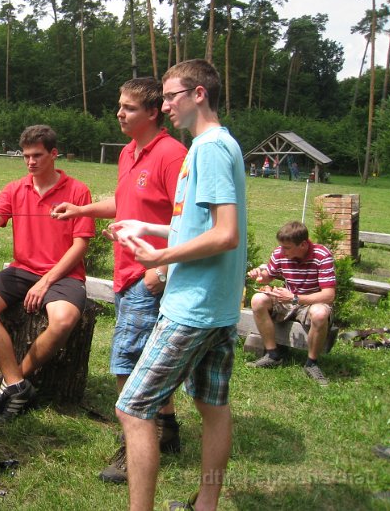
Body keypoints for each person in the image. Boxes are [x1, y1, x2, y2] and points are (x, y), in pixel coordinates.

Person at [109, 59, 247, 511]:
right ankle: (205, 504)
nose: (165, 105)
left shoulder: (207, 149)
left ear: (199, 94)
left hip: (192, 306)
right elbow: (197, 228)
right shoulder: (219, 145)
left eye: (171, 96)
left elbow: (225, 234)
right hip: (220, 306)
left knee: (133, 408)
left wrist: (159, 257)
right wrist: (145, 227)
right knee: (212, 407)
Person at [51, 77, 187, 484]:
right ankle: (167, 430)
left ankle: (137, 442)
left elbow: (188, 220)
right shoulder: (129, 152)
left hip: (150, 276)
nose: (119, 113)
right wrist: (81, 210)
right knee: (147, 358)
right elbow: (125, 203)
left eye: (128, 108)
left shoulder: (172, 155)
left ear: (152, 112)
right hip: (126, 274)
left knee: (127, 360)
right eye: (119, 106)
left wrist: (160, 270)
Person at [0, 125, 95, 421]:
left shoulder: (77, 190)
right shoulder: (14, 188)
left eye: (37, 155)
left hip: (64, 274)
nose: (31, 162)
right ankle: (18, 384)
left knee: (63, 321)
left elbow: (80, 245)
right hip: (22, 270)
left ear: (53, 154)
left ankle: (15, 380)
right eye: (26, 157)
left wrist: (47, 281)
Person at [246, 221, 335, 385]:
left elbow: (328, 295)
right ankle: (273, 355)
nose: (282, 251)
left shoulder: (322, 255)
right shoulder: (280, 252)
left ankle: (311, 363)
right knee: (258, 300)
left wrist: (295, 298)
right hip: (288, 299)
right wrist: (259, 275)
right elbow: (268, 276)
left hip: (311, 301)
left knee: (321, 313)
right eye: (281, 246)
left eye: (287, 247)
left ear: (303, 245)